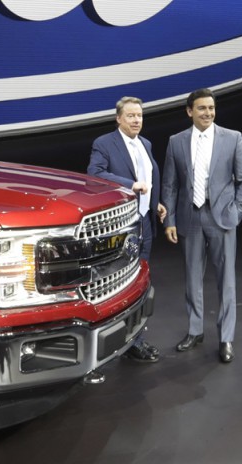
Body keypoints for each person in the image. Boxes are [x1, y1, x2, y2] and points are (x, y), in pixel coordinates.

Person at [162, 88, 242, 363]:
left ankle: (226, 338)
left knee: (226, 280)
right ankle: (195, 331)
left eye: (211, 108)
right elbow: (170, 184)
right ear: (189, 111)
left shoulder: (233, 138)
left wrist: (237, 211)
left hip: (221, 217)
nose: (208, 113)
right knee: (192, 278)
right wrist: (169, 220)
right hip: (189, 217)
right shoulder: (176, 141)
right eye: (202, 108)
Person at [88, 96, 167, 362]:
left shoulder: (146, 143)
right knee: (121, 285)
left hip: (145, 222)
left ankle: (136, 340)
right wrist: (130, 185)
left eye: (139, 115)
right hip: (123, 226)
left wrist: (155, 203)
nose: (136, 120)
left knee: (141, 283)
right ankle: (116, 343)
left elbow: (149, 178)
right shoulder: (104, 143)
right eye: (131, 115)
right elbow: (95, 174)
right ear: (119, 118)